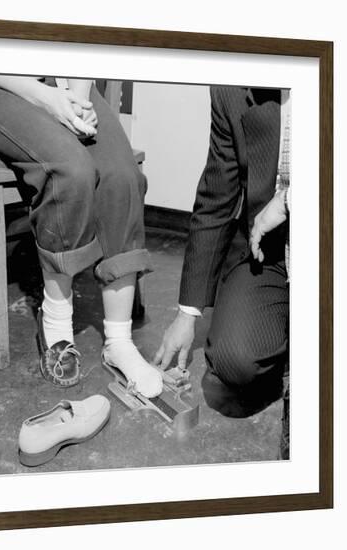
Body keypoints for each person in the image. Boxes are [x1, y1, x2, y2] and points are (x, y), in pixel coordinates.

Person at [0, 73, 162, 398]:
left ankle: (119, 342)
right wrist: (46, 99)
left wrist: (78, 100)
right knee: (71, 169)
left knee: (123, 178)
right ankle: (55, 318)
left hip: (66, 84)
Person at [153, 86, 290, 457]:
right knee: (233, 360)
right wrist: (187, 314)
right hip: (270, 249)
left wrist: (294, 198)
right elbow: (217, 198)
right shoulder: (231, 90)